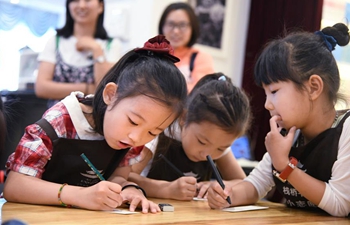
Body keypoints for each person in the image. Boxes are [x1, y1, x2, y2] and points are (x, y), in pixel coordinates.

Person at [3, 35, 187, 213]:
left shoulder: (130, 138)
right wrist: (79, 195)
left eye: (153, 132)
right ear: (111, 95)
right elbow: (14, 185)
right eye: (133, 121)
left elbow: (118, 176)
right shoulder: (61, 120)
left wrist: (129, 189)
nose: (137, 138)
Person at [207, 23, 350, 217]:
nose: (267, 104)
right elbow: (256, 185)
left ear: (314, 87)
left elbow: (340, 204)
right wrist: (228, 195)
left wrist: (285, 165)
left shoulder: (345, 129)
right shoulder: (289, 133)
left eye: (274, 91)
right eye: (265, 93)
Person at [128, 73, 251, 200]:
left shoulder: (217, 140)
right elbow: (126, 176)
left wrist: (218, 186)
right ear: (184, 117)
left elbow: (244, 183)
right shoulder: (159, 132)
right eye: (202, 142)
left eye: (221, 149)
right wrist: (165, 189)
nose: (206, 154)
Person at [35, 0, 123, 108]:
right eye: (75, 0)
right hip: (56, 119)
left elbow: (104, 89)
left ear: (100, 6)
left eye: (88, 0)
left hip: (93, 121)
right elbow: (41, 88)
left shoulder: (112, 45)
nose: (81, 5)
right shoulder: (55, 41)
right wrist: (87, 88)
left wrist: (96, 49)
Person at [159, 2, 215, 92]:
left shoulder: (201, 58)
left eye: (182, 25)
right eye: (171, 24)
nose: (176, 31)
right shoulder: (152, 55)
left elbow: (201, 92)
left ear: (192, 28)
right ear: (162, 26)